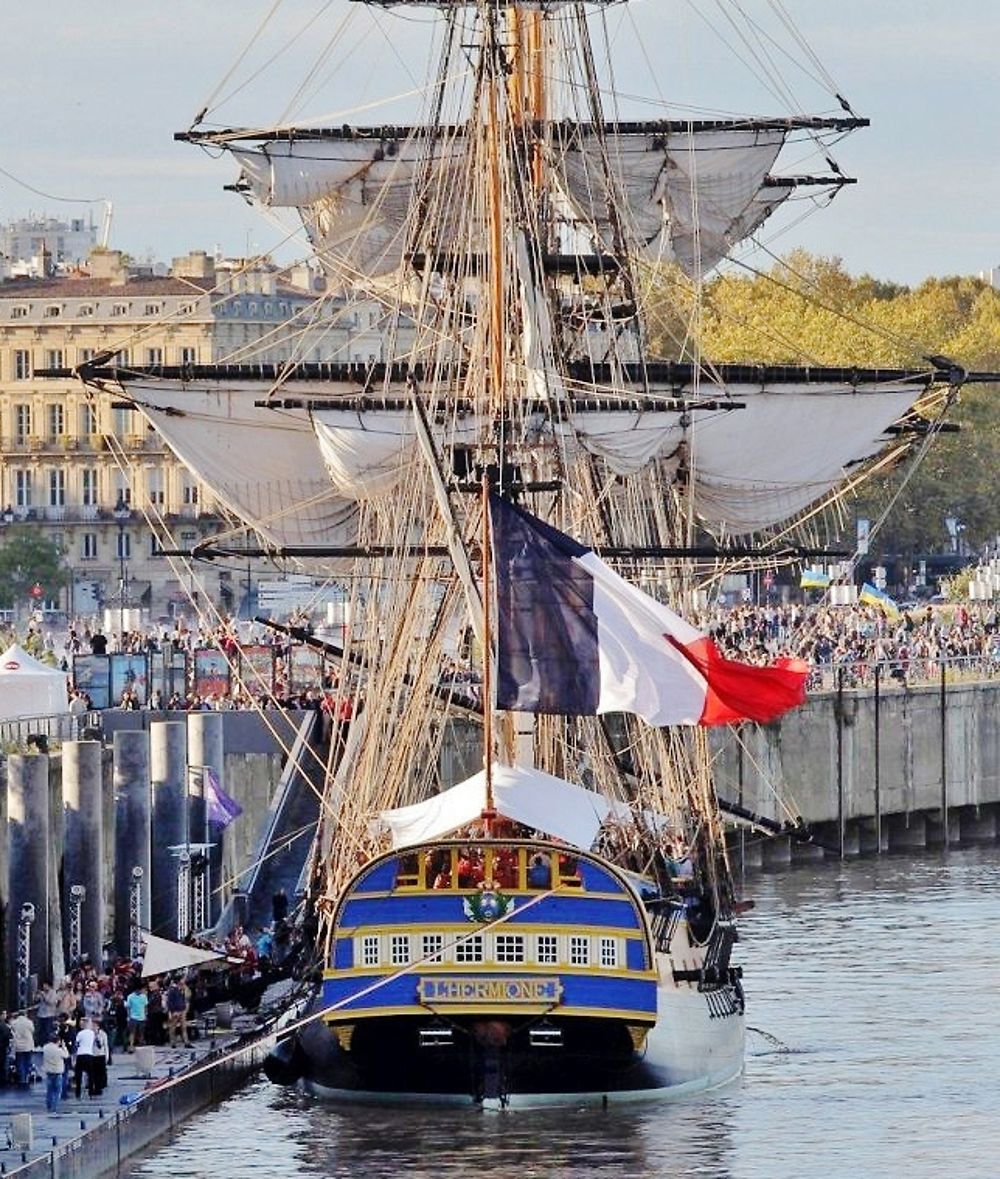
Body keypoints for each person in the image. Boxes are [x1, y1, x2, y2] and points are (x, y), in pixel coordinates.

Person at [42, 1032, 69, 1112]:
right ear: (58, 1041)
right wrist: (64, 1047)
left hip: (49, 1071)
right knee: (57, 1091)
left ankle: (49, 1105)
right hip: (57, 1072)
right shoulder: (58, 1050)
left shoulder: (45, 1048)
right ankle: (54, 1107)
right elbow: (66, 1055)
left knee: (49, 1091)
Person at [11, 1009, 35, 1087]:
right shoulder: (29, 1022)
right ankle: (26, 1077)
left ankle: (21, 1078)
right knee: (27, 1061)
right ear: (25, 1014)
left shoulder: (14, 1023)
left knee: (20, 1062)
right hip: (28, 1045)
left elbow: (12, 1031)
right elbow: (32, 1030)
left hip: (18, 1045)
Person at [73, 1018, 96, 1099]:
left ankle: (78, 1093)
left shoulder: (80, 1033)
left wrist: (74, 1057)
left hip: (80, 1054)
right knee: (90, 1075)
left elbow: (76, 1044)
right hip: (89, 1054)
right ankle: (91, 1092)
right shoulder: (92, 1033)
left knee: (78, 1075)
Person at [165, 976, 190, 1048]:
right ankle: (173, 1042)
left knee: (184, 1026)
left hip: (182, 1009)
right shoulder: (172, 990)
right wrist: (171, 1012)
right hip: (175, 1011)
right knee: (173, 1027)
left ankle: (186, 1042)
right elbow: (169, 1002)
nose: (184, 980)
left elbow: (185, 997)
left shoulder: (182, 989)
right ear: (179, 981)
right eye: (182, 979)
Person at [125, 986, 148, 1051]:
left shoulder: (144, 996)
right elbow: (128, 1008)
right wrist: (128, 1017)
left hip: (142, 1017)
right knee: (132, 1033)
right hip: (133, 1017)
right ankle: (131, 1046)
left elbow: (145, 1006)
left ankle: (141, 1046)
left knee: (141, 1033)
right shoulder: (130, 997)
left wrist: (146, 1015)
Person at [90, 1025, 109, 1096]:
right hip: (92, 1055)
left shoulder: (103, 1034)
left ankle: (99, 1088)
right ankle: (93, 1087)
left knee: (100, 1073)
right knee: (93, 1073)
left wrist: (107, 1056)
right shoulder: (89, 1034)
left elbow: (105, 1045)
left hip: (100, 1055)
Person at [0, 1012, 12, 1086]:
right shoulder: (4, 1026)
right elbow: (8, 1036)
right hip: (2, 1048)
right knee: (3, 1064)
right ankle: (3, 1080)